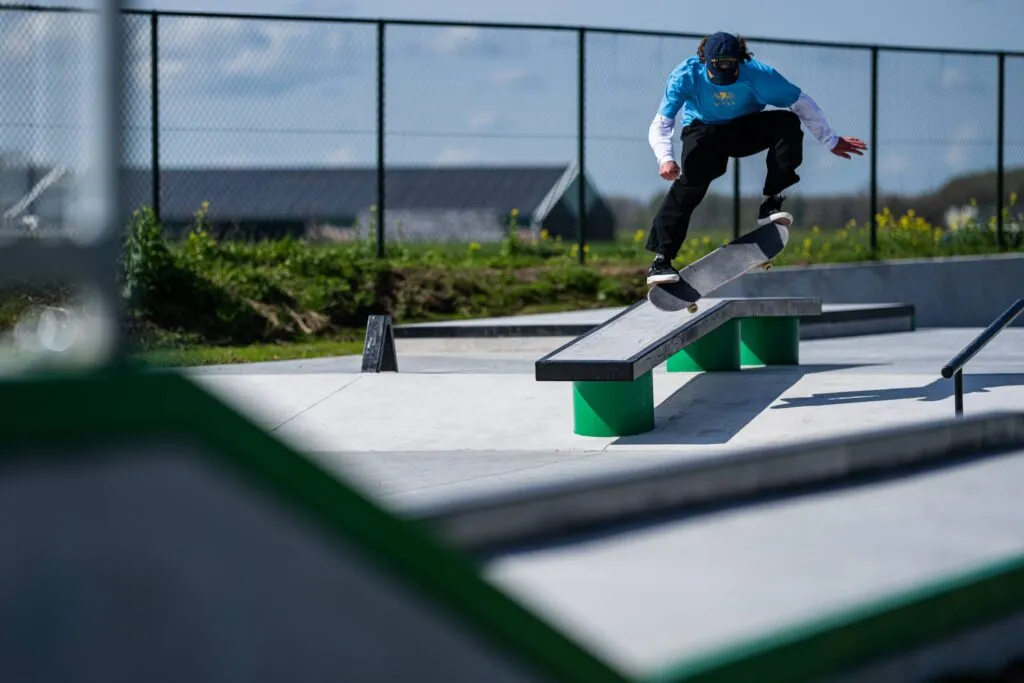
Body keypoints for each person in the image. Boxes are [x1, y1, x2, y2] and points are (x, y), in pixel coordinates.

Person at [644, 31, 867, 285]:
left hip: (743, 128)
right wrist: (665, 158)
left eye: (731, 75)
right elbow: (661, 123)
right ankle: (661, 260)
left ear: (740, 61)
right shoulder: (685, 75)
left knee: (788, 124)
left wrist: (831, 139)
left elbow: (801, 103)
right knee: (691, 182)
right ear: (704, 60)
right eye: (716, 76)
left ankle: (772, 202)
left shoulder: (761, 75)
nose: (724, 82)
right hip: (703, 129)